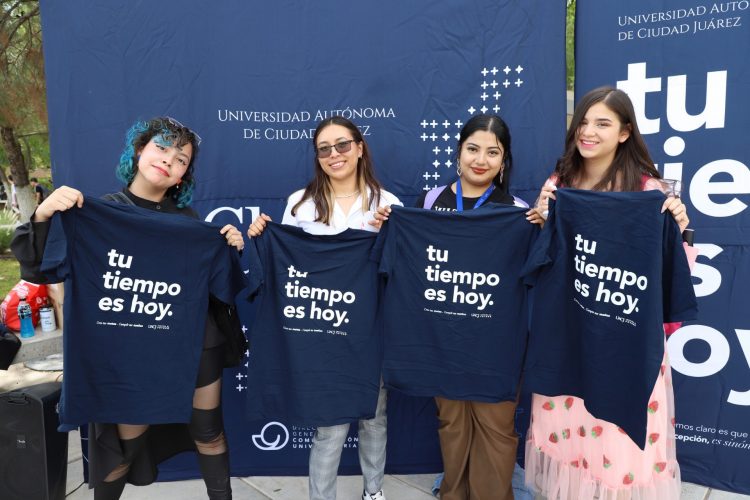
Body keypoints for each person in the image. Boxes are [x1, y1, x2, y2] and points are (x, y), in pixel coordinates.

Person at [11, 117, 245, 500]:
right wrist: (43, 214)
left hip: (195, 344)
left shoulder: (190, 222)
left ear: (184, 175)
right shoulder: (96, 213)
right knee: (123, 448)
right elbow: (38, 266)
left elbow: (220, 288)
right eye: (162, 148)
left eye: (181, 159)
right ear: (139, 151)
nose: (169, 160)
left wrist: (228, 248)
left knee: (209, 432)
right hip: (131, 352)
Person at [524, 86, 690, 500]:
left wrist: (679, 228)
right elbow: (540, 261)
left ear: (624, 132)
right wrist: (541, 221)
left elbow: (674, 269)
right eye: (583, 122)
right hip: (569, 335)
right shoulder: (559, 183)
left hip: (623, 340)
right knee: (568, 434)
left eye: (602, 123)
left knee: (616, 443)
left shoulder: (649, 192)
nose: (588, 132)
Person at [247, 116, 401, 500]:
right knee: (328, 424)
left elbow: (399, 273)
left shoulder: (388, 205)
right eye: (324, 149)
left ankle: (374, 492)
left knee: (374, 416)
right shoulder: (299, 204)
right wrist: (262, 237)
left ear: (360, 148)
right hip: (320, 330)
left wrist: (390, 232)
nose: (335, 154)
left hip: (369, 330)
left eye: (343, 145)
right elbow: (285, 270)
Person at [394, 114, 531, 500]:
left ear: (503, 161)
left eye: (492, 152)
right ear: (458, 152)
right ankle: (452, 493)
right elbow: (412, 265)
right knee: (451, 423)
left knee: (496, 426)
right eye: (473, 149)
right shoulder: (430, 201)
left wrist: (540, 227)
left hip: (497, 344)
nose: (481, 160)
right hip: (442, 338)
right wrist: (391, 224)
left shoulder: (517, 210)